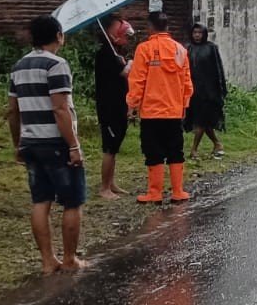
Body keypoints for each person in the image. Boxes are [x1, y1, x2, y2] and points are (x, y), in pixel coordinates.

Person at [8, 15, 88, 274]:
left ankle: (47, 260)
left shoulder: (19, 66)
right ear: (58, 36)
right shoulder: (56, 65)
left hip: (30, 142)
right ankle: (69, 258)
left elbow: (13, 110)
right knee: (72, 201)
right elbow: (60, 109)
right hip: (56, 142)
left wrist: (18, 143)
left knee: (40, 201)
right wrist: (73, 146)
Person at [126, 11, 193, 203]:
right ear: (167, 27)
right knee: (175, 149)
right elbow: (187, 83)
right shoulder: (180, 50)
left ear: (150, 27)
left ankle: (155, 193)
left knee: (153, 150)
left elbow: (137, 80)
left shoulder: (144, 49)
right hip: (173, 111)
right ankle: (178, 191)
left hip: (151, 111)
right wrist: (184, 105)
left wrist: (132, 104)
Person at [94, 15, 134, 201]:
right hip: (109, 107)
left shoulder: (116, 53)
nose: (126, 38)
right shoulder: (105, 54)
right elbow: (124, 73)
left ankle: (111, 182)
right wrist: (132, 64)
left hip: (120, 105)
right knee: (109, 148)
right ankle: (104, 188)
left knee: (115, 146)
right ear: (112, 34)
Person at [184, 22, 228, 161]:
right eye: (195, 33)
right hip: (193, 91)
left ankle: (194, 149)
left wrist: (221, 90)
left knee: (202, 122)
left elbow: (218, 69)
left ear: (204, 34)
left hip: (209, 92)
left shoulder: (211, 48)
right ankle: (217, 144)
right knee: (203, 121)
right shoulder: (187, 48)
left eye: (200, 33)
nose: (197, 35)